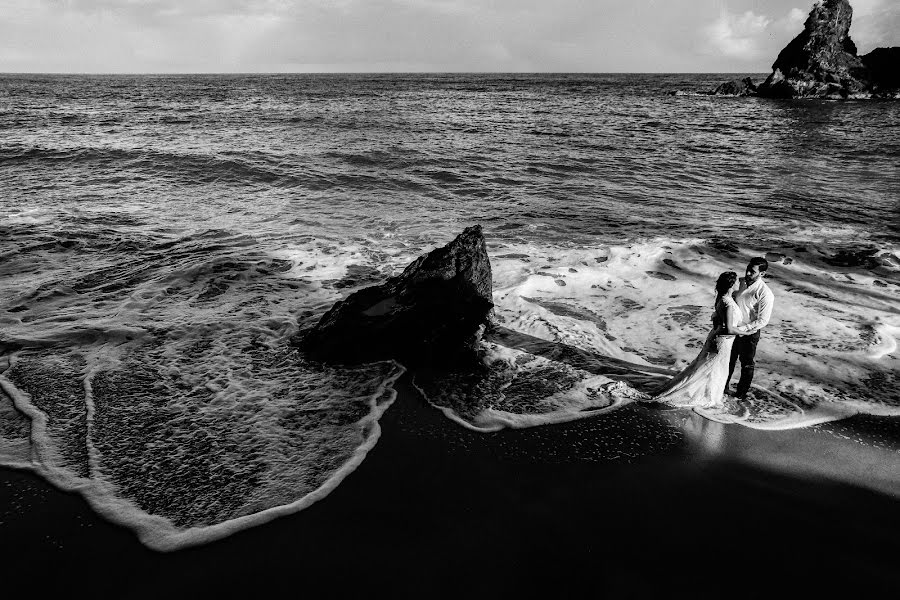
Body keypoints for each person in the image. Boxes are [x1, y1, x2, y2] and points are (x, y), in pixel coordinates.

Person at [650, 271, 751, 409]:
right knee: (715, 369)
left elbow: (718, 319)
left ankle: (708, 394)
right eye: (737, 283)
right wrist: (746, 331)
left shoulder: (721, 298)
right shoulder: (727, 304)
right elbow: (729, 329)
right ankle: (707, 396)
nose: (739, 284)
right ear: (731, 285)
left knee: (711, 368)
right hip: (722, 342)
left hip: (717, 339)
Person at [725, 257, 775, 399]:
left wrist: (744, 329)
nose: (747, 274)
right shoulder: (739, 282)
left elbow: (763, 320)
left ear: (762, 274)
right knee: (728, 360)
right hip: (732, 328)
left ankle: (740, 395)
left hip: (749, 333)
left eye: (752, 272)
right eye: (747, 269)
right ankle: (722, 388)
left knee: (746, 364)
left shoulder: (765, 293)